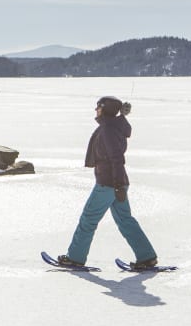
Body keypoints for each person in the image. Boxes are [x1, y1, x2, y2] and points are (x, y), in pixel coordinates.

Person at [57, 95, 158, 269]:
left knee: (88, 219)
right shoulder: (112, 126)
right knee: (125, 220)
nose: (96, 110)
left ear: (106, 109)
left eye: (99, 107)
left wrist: (117, 185)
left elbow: (116, 158)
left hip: (108, 184)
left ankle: (75, 258)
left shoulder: (108, 130)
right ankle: (147, 256)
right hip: (116, 183)